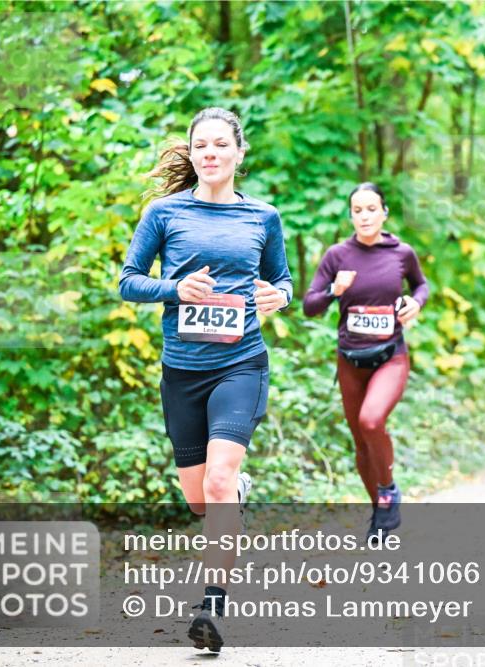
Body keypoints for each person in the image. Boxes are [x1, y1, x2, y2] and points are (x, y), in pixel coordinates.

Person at [119, 107, 292, 653]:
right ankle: (232, 493)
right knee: (199, 500)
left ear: (239, 152)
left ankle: (211, 608)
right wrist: (174, 289)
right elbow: (128, 281)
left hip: (241, 364)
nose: (210, 153)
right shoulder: (164, 213)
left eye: (220, 144)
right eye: (201, 146)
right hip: (182, 372)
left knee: (217, 481)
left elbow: (283, 280)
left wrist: (279, 296)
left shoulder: (263, 216)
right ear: (191, 153)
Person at [303, 182, 428, 541]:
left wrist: (416, 302)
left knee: (371, 421)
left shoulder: (401, 252)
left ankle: (388, 491)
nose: (365, 216)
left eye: (371, 209)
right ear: (351, 215)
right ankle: (380, 515)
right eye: (357, 210)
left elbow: (421, 286)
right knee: (360, 442)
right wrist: (334, 290)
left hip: (390, 355)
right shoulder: (337, 255)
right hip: (350, 359)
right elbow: (310, 305)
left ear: (384, 213)